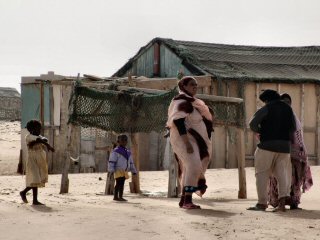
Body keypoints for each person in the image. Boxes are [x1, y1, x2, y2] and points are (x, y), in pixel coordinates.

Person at [166, 76, 214, 209]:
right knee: (193, 164)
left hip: (195, 140)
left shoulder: (194, 102)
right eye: (192, 84)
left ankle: (183, 200)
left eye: (196, 85)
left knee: (189, 166)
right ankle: (188, 200)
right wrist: (186, 143)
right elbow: (178, 122)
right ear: (183, 86)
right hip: (184, 139)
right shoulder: (181, 102)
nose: (195, 87)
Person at [248, 89, 296, 212]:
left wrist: (262, 131)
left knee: (262, 174)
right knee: (282, 175)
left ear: (267, 100)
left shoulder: (267, 107)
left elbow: (252, 124)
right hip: (285, 147)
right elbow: (293, 128)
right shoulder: (288, 109)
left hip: (267, 146)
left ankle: (262, 203)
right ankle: (281, 204)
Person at [268, 93, 313, 210]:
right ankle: (278, 201)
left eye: (288, 102)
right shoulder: (275, 117)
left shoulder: (293, 118)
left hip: (294, 154)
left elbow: (298, 138)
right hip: (278, 151)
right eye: (283, 102)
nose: (286, 104)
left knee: (295, 179)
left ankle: (293, 202)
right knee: (278, 177)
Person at [20, 120, 55, 205]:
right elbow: (37, 141)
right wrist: (48, 146)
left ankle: (33, 199)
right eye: (37, 128)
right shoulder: (28, 137)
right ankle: (24, 193)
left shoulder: (38, 136)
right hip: (32, 160)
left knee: (37, 179)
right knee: (35, 179)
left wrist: (44, 141)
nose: (39, 130)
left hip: (40, 160)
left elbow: (43, 139)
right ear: (32, 129)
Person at [108, 134, 137, 201]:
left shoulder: (128, 152)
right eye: (122, 140)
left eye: (125, 140)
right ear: (119, 141)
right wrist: (111, 170)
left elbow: (131, 162)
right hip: (118, 170)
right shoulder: (115, 151)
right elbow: (112, 161)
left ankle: (120, 196)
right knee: (118, 183)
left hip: (125, 171)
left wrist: (134, 171)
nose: (124, 142)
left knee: (122, 184)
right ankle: (115, 197)